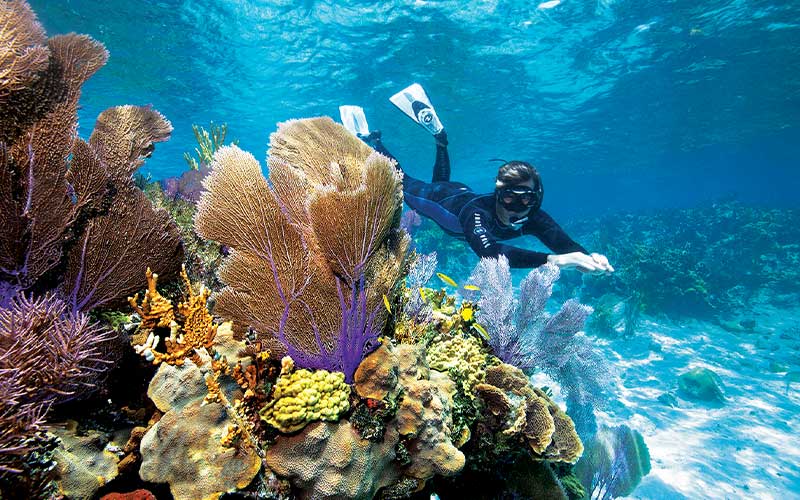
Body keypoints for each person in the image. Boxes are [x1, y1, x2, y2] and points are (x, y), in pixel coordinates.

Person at [340, 88, 613, 274]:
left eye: (525, 198)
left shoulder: (535, 218)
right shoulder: (477, 215)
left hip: (458, 191)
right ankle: (373, 141)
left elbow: (565, 246)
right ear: (498, 194)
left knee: (441, 181)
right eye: (509, 197)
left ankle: (440, 139)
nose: (516, 206)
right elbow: (490, 253)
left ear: (536, 199)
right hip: (438, 199)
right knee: (402, 182)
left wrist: (586, 256)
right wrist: (552, 260)